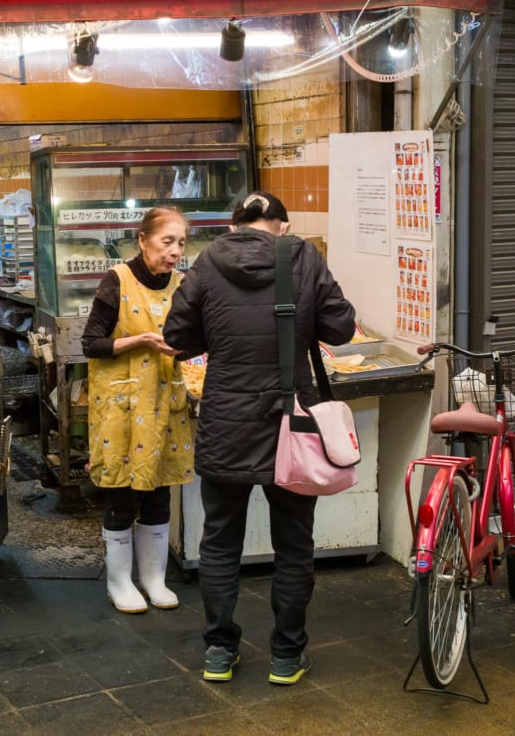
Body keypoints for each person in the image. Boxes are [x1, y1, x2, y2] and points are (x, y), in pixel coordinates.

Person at [163, 191, 356, 686]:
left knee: (221, 544)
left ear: (235, 226)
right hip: (294, 423)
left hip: (226, 422)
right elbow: (340, 328)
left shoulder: (207, 261)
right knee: (294, 545)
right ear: (283, 226)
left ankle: (219, 653)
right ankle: (286, 658)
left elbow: (179, 338)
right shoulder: (304, 256)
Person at [81, 205, 194, 614]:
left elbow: (193, 338)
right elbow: (90, 343)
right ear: (143, 240)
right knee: (123, 493)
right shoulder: (118, 280)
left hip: (165, 402)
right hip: (122, 408)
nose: (175, 251)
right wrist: (142, 340)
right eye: (167, 242)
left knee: (159, 492)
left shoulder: (184, 283)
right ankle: (119, 583)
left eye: (181, 243)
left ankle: (154, 580)